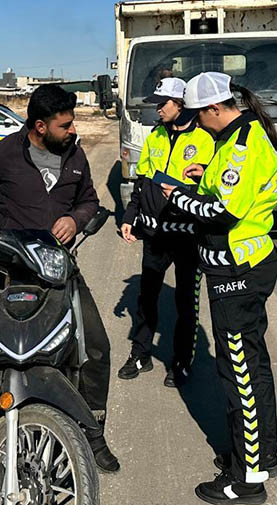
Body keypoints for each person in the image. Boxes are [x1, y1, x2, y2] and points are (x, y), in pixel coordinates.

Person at [0, 84, 120, 491]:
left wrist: (77, 219)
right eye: (65, 124)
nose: (73, 130)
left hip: (57, 266)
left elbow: (89, 200)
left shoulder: (75, 154)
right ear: (39, 126)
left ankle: (91, 432)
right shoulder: (6, 151)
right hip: (4, 265)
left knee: (95, 346)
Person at [159, 72, 277, 504]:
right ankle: (255, 455)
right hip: (235, 268)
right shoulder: (235, 140)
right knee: (249, 367)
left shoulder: (244, 145)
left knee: (240, 374)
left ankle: (247, 480)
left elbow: (222, 213)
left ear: (215, 109)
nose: (195, 125)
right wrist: (202, 174)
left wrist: (176, 194)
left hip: (238, 272)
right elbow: (227, 187)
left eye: (198, 116)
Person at [117, 77, 215, 387]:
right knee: (146, 298)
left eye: (163, 103)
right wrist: (130, 215)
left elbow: (211, 190)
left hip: (187, 236)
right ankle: (140, 354)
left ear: (181, 104)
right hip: (155, 235)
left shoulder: (205, 140)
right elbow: (142, 181)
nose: (157, 108)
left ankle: (182, 361)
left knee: (186, 302)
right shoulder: (155, 136)